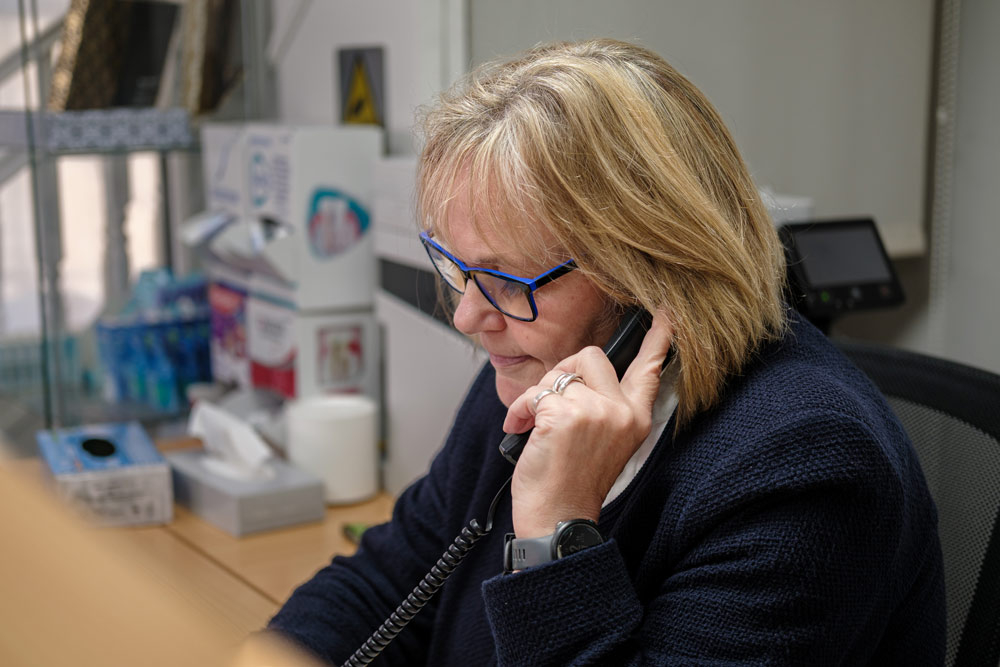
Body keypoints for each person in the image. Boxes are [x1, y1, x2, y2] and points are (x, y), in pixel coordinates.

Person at [266, 38, 944, 665]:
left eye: (505, 279)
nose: (471, 315)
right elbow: (393, 573)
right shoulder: (539, 361)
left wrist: (554, 532)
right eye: (456, 267)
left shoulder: (805, 469)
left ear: (649, 275)